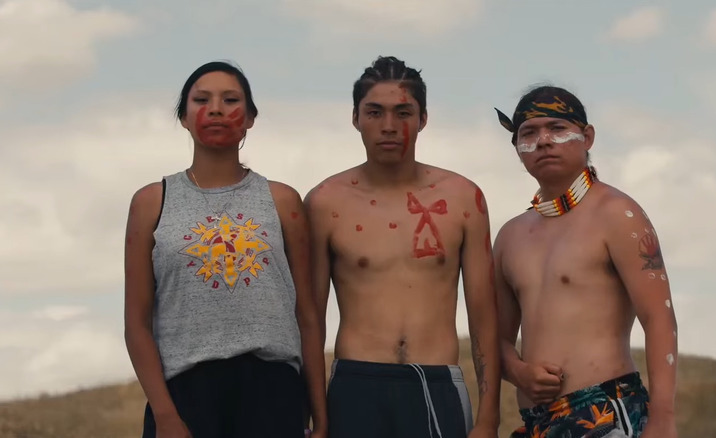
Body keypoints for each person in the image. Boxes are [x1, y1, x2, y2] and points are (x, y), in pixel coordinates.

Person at [123, 60, 327, 438]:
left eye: (230, 99)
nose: (216, 108)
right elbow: (137, 324)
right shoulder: (151, 202)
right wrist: (166, 416)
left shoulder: (282, 201)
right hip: (185, 394)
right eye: (202, 99)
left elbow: (308, 315)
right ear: (183, 117)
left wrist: (320, 415)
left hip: (273, 392)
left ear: (250, 117)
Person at [304, 56, 501, 438]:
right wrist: (317, 417)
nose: (389, 127)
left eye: (403, 112)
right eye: (375, 112)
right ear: (355, 118)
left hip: (436, 382)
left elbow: (483, 315)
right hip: (355, 383)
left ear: (423, 118)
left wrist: (488, 418)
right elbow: (309, 321)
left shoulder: (463, 198)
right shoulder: (326, 203)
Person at [492, 85, 678, 438]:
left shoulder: (618, 215)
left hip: (607, 410)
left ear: (587, 136)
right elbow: (496, 339)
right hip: (536, 423)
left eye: (558, 129)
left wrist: (664, 419)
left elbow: (659, 318)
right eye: (528, 133)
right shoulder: (510, 236)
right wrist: (518, 371)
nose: (543, 141)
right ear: (517, 147)